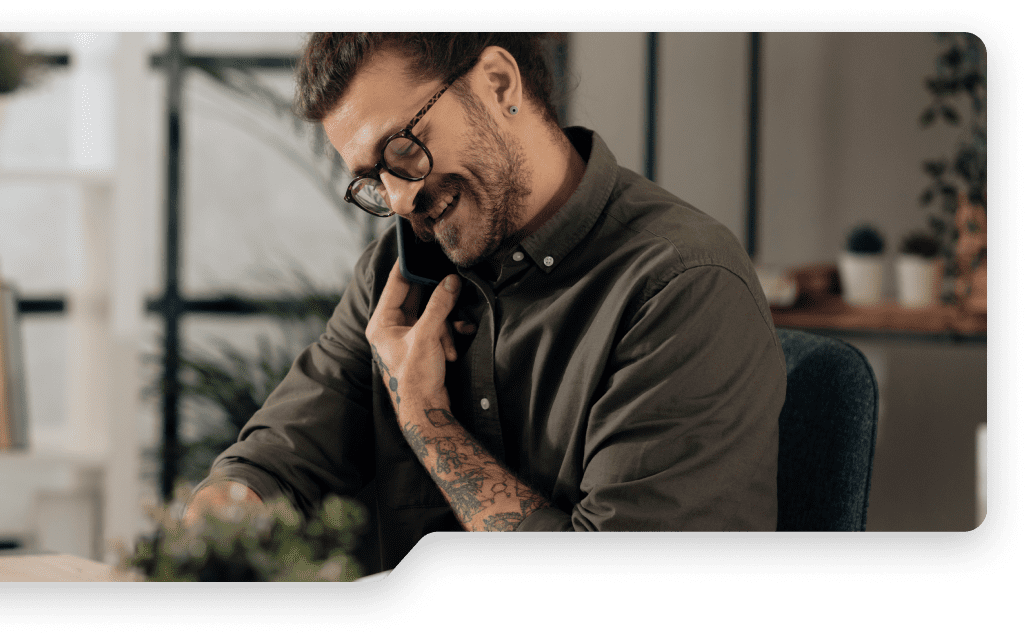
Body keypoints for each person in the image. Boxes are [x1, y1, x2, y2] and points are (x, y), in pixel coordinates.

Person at [183, 32, 786, 571]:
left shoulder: (681, 286)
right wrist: (205, 541)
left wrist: (428, 422)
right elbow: (273, 462)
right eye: (373, 178)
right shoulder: (397, 276)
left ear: (499, 84)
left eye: (402, 148)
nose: (398, 201)